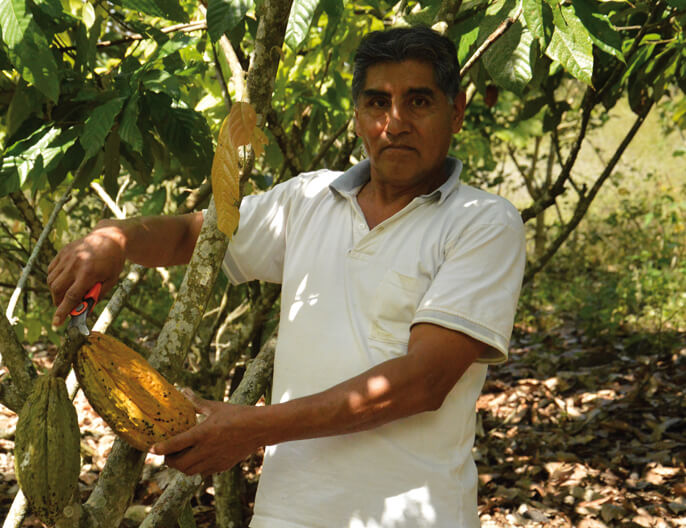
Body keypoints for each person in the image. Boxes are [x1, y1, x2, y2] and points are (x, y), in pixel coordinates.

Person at [48, 26, 526, 528]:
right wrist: (115, 238)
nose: (395, 122)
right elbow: (196, 238)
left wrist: (252, 427)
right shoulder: (309, 200)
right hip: (288, 514)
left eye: (419, 101)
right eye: (377, 103)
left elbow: (423, 381)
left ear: (457, 111)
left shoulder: (482, 221)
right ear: (358, 117)